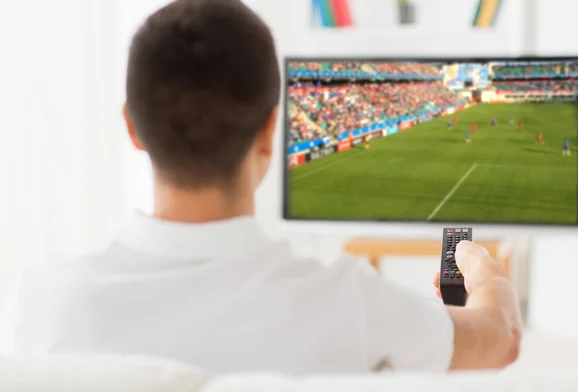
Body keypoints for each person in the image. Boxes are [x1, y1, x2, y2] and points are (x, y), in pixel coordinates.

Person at [0, 0, 522, 374]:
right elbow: (500, 342)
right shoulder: (348, 302)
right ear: (272, 131)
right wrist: (482, 268)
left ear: (132, 127)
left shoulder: (47, 302)